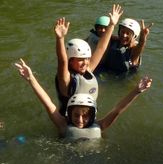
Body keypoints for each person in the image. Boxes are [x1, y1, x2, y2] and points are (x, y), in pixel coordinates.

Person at [15, 58, 152, 140]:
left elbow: (118, 110)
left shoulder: (100, 126)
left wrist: (136, 91)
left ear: (93, 115)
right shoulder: (63, 125)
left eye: (85, 116)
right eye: (76, 115)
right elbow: (48, 103)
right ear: (69, 113)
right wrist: (31, 79)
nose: (80, 120)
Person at [54, 4, 123, 116]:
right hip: (68, 122)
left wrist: (111, 25)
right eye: (81, 59)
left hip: (87, 119)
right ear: (70, 60)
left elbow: (101, 48)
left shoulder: (88, 68)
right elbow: (62, 60)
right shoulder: (65, 79)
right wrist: (60, 39)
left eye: (87, 58)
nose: (86, 62)